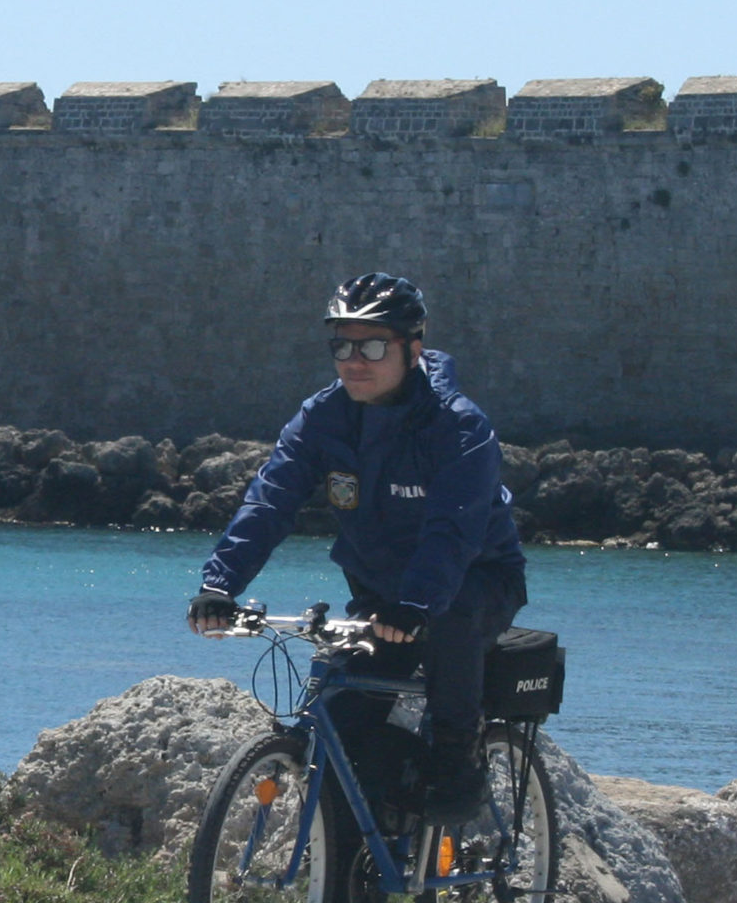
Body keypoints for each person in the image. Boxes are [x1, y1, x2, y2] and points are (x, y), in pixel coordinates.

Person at [187, 272, 528, 837]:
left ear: (412, 349)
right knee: (338, 736)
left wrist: (416, 602)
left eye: (372, 345)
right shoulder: (325, 418)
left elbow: (452, 531)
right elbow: (270, 500)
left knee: (454, 621)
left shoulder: (458, 426)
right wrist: (220, 585)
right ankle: (349, 902)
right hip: (379, 599)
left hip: (473, 584)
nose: (353, 360)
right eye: (342, 345)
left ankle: (455, 754)